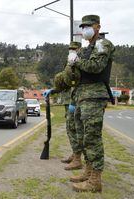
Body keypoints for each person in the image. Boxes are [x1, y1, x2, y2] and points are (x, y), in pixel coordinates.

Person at [68, 15, 115, 192]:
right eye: (82, 26)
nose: (84, 29)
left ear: (97, 27)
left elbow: (96, 67)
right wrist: (72, 64)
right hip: (82, 96)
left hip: (95, 96)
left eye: (88, 26)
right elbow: (75, 75)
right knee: (83, 136)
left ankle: (95, 180)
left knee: (92, 137)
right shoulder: (87, 48)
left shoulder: (104, 44)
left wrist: (77, 61)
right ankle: (88, 171)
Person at [43, 42, 83, 171]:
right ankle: (75, 153)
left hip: (77, 100)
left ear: (79, 49)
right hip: (68, 100)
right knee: (70, 128)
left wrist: (74, 101)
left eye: (74, 49)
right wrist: (53, 91)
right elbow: (65, 83)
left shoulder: (80, 61)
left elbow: (77, 81)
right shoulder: (70, 61)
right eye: (70, 49)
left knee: (76, 129)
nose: (71, 51)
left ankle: (78, 158)